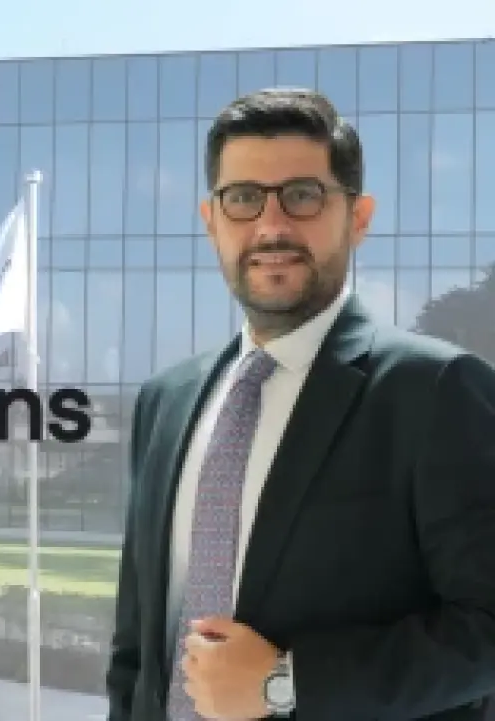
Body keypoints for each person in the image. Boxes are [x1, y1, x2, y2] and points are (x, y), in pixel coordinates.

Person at [105, 87, 495, 720]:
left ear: (358, 217)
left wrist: (284, 683)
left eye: (303, 195)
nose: (271, 225)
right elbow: (136, 648)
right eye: (243, 198)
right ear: (211, 220)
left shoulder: (437, 391)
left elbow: (485, 629)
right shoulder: (165, 402)